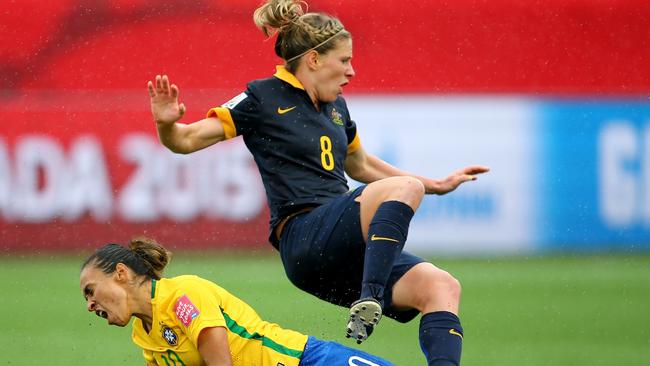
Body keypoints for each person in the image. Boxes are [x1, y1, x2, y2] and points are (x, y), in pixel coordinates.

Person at [147, 0, 489, 364]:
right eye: (344, 61)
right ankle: (368, 296)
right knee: (405, 188)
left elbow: (360, 164)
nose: (351, 71)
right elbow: (185, 141)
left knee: (442, 286)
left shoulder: (337, 108)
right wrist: (167, 125)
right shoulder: (262, 97)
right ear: (313, 60)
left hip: (342, 248)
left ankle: (380, 308)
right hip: (304, 236)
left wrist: (435, 184)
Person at [80, 237, 395, 366]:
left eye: (91, 291)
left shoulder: (181, 295)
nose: (90, 306)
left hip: (304, 361)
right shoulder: (144, 335)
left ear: (121, 273)